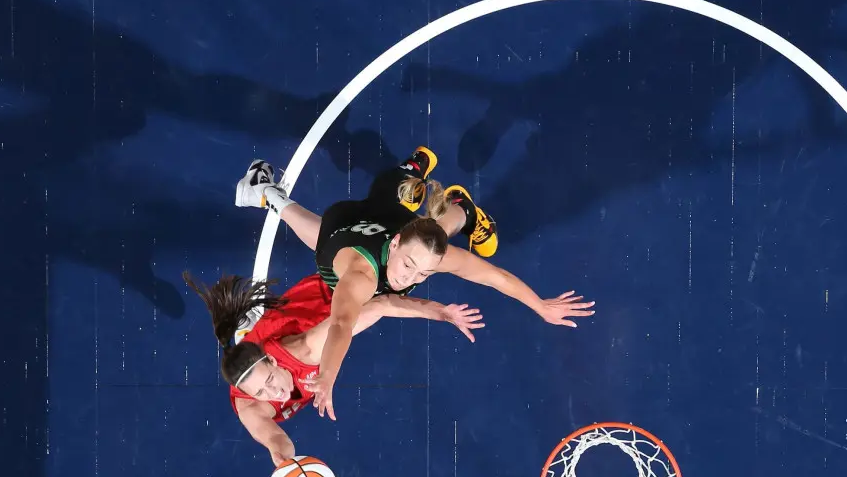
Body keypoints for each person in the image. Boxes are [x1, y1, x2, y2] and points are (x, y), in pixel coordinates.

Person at [233, 147, 596, 421]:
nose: (409, 278)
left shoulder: (424, 252)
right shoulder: (360, 277)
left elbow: (493, 276)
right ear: (395, 245)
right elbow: (342, 324)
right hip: (340, 231)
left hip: (385, 229)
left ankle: (459, 204)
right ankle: (420, 182)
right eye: (408, 266)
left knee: (433, 227)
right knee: (350, 221)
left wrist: (541, 306)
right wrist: (326, 376)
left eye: (422, 275)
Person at [184, 270, 484, 466]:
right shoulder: (251, 406)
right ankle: (242, 334)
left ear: (274, 361)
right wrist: (284, 460)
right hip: (267, 338)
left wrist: (441, 312)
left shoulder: (307, 349)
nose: (275, 392)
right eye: (263, 392)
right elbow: (274, 437)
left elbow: (380, 305)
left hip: (332, 290)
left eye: (271, 380)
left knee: (416, 260)